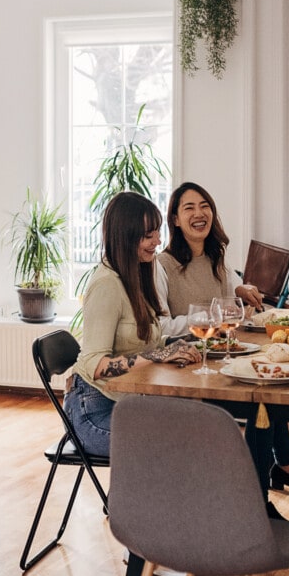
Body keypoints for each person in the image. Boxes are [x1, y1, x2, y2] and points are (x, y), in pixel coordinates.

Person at [155, 182, 289, 498]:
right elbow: (162, 328)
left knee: (267, 386)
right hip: (186, 370)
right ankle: (258, 495)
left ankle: (283, 470)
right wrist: (210, 318)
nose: (199, 213)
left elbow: (230, 295)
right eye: (189, 208)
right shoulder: (162, 266)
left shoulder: (216, 258)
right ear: (175, 220)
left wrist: (237, 290)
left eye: (205, 206)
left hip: (218, 358)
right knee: (261, 400)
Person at [65, 192, 200, 457]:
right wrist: (158, 355)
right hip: (94, 411)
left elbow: (151, 340)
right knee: (175, 445)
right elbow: (96, 365)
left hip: (126, 403)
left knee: (196, 430)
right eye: (149, 235)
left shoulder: (138, 274)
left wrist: (181, 346)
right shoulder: (107, 285)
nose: (158, 241)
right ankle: (130, 500)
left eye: (157, 232)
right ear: (126, 237)